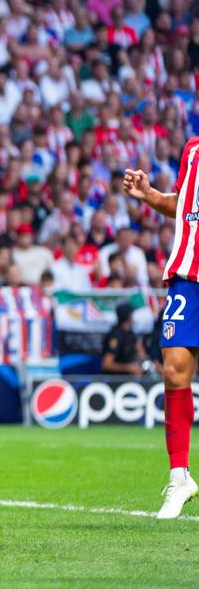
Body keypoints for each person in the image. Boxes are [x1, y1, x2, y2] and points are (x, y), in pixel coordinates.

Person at [122, 156, 199, 519]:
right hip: (189, 276)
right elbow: (187, 206)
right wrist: (152, 196)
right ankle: (179, 476)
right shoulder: (193, 150)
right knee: (173, 369)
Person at [100, 303, 148, 377]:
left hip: (129, 380)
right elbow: (107, 364)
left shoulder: (130, 334)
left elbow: (141, 353)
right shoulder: (115, 336)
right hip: (114, 380)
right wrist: (128, 368)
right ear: (128, 317)